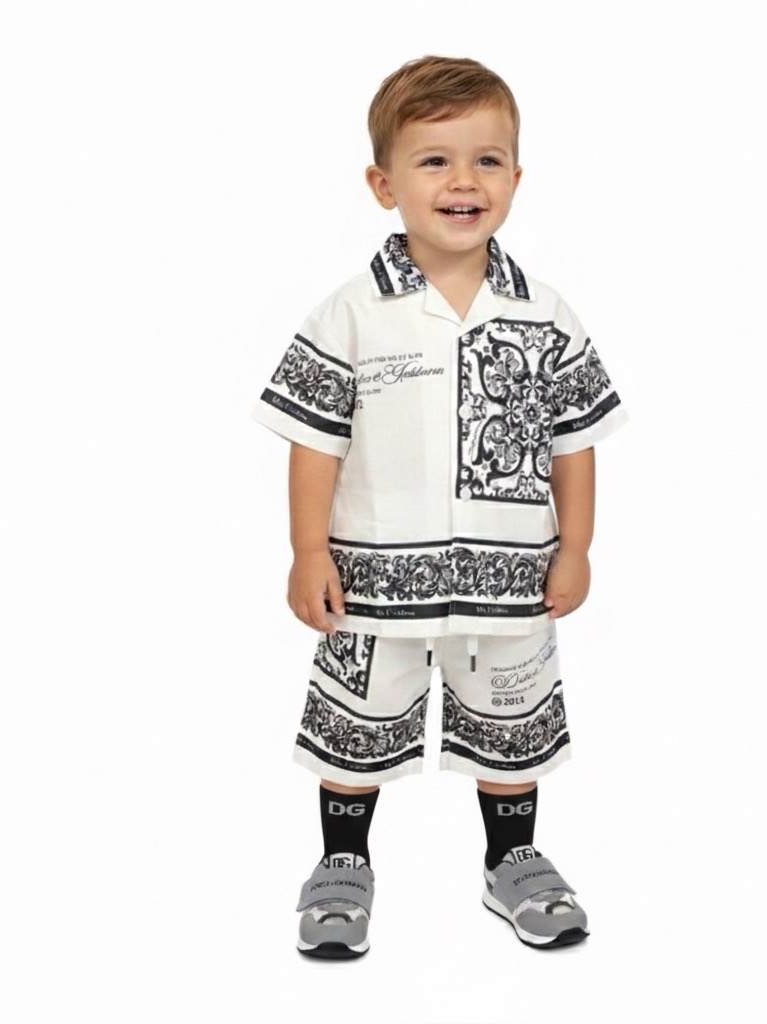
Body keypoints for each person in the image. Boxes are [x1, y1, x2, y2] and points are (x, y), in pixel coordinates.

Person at [251, 55, 628, 958]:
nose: (464, 181)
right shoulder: (349, 315)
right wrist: (309, 551)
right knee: (355, 729)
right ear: (384, 184)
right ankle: (342, 865)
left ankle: (513, 861)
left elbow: (574, 442)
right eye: (434, 161)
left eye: (487, 160)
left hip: (510, 582)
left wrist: (576, 547)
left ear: (516, 178)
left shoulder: (547, 314)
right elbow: (315, 442)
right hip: (372, 582)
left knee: (511, 724)